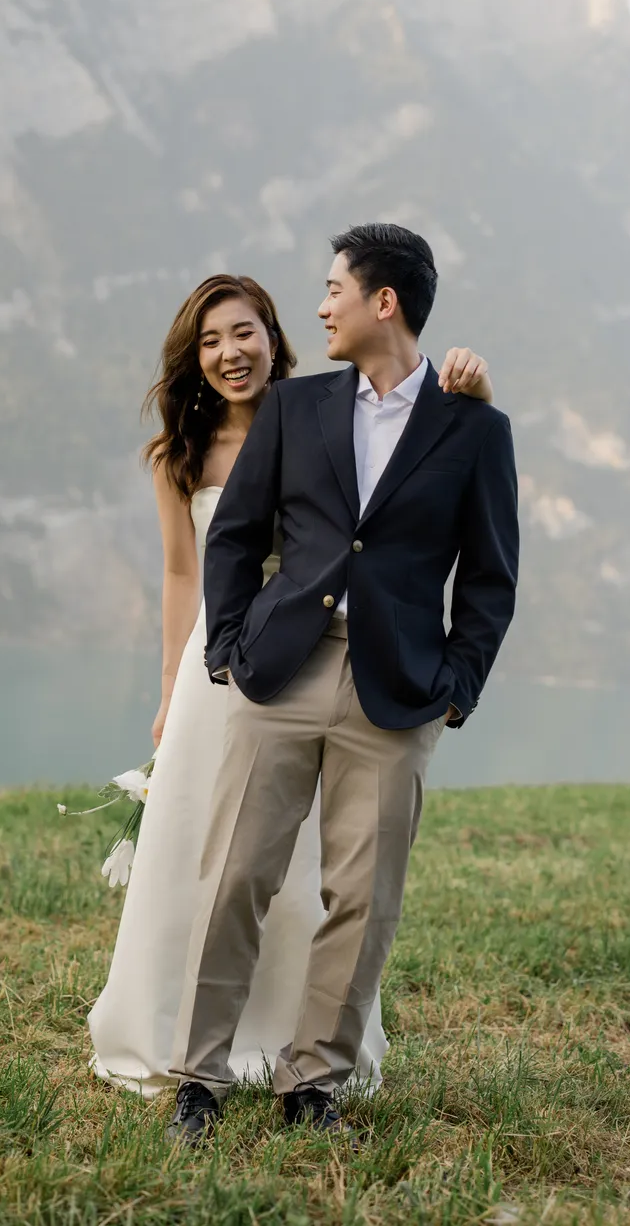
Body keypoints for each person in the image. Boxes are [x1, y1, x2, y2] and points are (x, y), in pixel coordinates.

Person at [88, 268, 495, 1096]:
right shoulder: (182, 454)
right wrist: (181, 684)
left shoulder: (325, 412)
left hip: (341, 667)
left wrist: (472, 397)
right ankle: (185, 1054)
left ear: (274, 340)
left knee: (322, 877)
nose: (228, 352)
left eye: (244, 332)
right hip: (231, 663)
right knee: (213, 864)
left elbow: (417, 484)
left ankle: (299, 1057)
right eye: (209, 341)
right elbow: (188, 572)